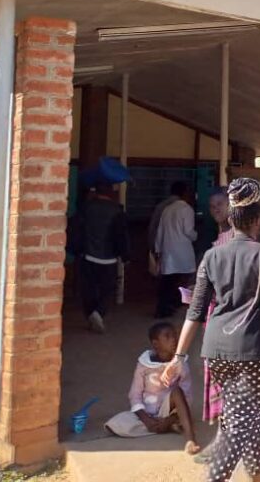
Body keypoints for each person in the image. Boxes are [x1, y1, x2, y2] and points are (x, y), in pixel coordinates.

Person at [163, 178, 260, 482]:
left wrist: (179, 356)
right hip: (257, 352)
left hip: (216, 351)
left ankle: (256, 473)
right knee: (250, 419)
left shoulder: (211, 256)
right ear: (257, 221)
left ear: (231, 219)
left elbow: (194, 311)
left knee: (239, 413)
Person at [104, 322, 200, 455]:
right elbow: (135, 395)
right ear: (156, 344)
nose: (174, 339)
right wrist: (146, 420)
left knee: (177, 392)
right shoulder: (144, 364)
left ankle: (190, 439)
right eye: (167, 336)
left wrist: (169, 418)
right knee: (114, 424)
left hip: (170, 410)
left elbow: (187, 395)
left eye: (174, 336)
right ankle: (164, 426)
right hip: (146, 413)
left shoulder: (180, 363)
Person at [70, 181, 129, 333]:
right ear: (111, 193)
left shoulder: (86, 208)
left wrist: (75, 249)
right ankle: (99, 312)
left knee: (88, 288)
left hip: (88, 255)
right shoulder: (117, 211)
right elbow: (121, 236)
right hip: (109, 258)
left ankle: (90, 313)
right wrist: (125, 255)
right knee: (106, 289)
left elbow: (76, 229)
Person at [200, 189, 233, 427]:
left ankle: (230, 412)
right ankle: (223, 411)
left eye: (221, 204)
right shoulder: (219, 234)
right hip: (216, 308)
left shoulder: (236, 238)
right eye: (212, 206)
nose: (217, 209)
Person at [154, 183, 197, 318]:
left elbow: (160, 231)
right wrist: (197, 235)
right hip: (181, 251)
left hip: (168, 251)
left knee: (167, 281)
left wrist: (158, 249)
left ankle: (164, 307)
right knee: (180, 280)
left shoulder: (167, 209)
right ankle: (172, 305)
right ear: (185, 193)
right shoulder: (187, 209)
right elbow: (188, 231)